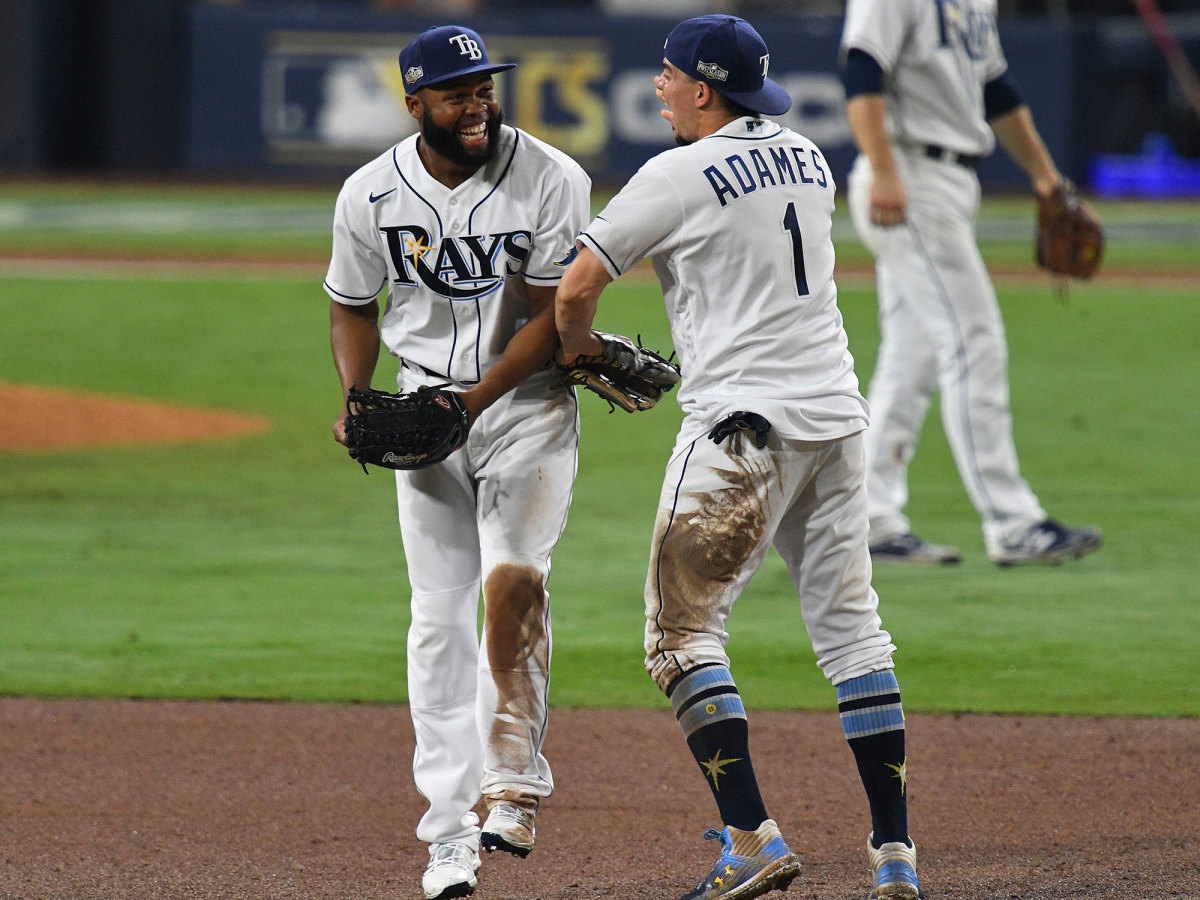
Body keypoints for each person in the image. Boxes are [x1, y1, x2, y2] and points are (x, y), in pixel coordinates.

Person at [555, 15, 923, 900]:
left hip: (740, 433)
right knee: (853, 631)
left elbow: (576, 286)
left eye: (670, 74)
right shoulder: (805, 156)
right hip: (836, 422)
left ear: (704, 90)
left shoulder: (675, 173)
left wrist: (581, 353)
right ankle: (895, 857)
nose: (658, 86)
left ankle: (752, 836)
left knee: (679, 638)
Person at [324, 24, 590, 900]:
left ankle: (512, 784)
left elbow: (552, 317)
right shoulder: (369, 195)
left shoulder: (553, 178)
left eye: (484, 88)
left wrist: (467, 406)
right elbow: (352, 305)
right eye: (456, 93)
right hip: (423, 404)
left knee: (513, 581)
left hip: (526, 407)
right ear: (415, 104)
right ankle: (447, 838)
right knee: (438, 622)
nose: (477, 105)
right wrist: (359, 397)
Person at [840, 0, 1103, 567]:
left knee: (914, 357)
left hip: (950, 181)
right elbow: (861, 68)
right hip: (908, 174)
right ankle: (1013, 522)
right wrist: (882, 167)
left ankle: (869, 516)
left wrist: (1046, 176)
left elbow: (997, 89)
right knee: (973, 340)